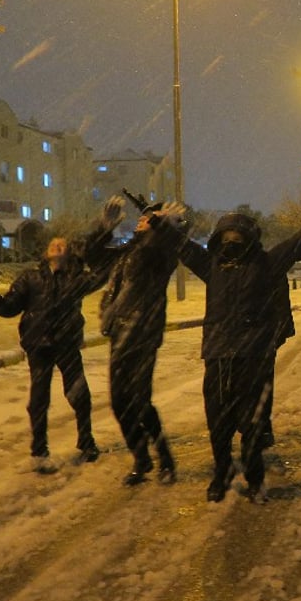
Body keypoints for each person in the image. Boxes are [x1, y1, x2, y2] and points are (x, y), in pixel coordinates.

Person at [177, 203, 301, 503]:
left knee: (252, 423)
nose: (231, 241)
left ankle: (255, 477)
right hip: (217, 356)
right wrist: (161, 223)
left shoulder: (265, 265)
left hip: (252, 357)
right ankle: (222, 470)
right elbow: (181, 246)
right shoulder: (211, 266)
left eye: (237, 236)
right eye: (226, 236)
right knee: (217, 421)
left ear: (249, 239)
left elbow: (295, 246)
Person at [0, 233, 109, 473]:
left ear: (69, 252)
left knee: (79, 394)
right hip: (38, 345)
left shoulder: (76, 277)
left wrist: (100, 237)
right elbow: (9, 308)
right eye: (53, 244)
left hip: (67, 343)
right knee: (39, 399)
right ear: (45, 252)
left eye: (63, 244)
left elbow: (102, 275)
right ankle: (39, 450)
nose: (57, 246)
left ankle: (86, 441)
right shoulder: (30, 278)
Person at [93, 195, 188, 486]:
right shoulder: (129, 249)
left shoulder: (159, 250)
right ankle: (141, 456)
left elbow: (171, 241)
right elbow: (93, 258)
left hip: (143, 332)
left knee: (140, 400)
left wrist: (164, 225)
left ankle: (164, 459)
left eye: (148, 218)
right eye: (142, 217)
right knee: (119, 402)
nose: (141, 219)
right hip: (119, 332)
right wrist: (103, 228)